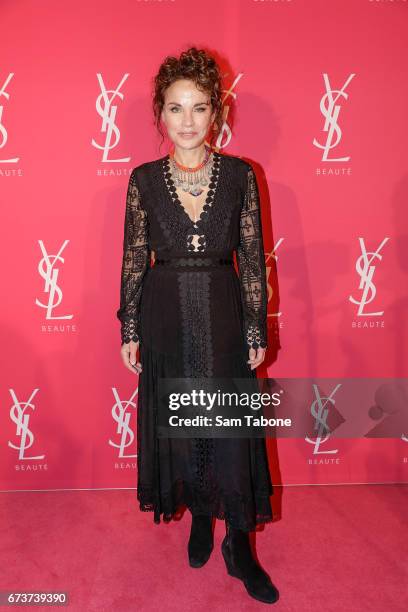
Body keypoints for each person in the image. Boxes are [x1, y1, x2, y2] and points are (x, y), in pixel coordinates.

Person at [117, 47, 279, 605]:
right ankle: (199, 516)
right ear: (159, 116)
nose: (187, 121)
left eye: (199, 107)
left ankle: (238, 543)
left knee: (230, 430)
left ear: (218, 115)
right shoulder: (141, 181)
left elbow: (254, 260)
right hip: (164, 319)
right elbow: (135, 259)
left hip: (224, 315)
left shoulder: (240, 176)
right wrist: (129, 327)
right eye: (175, 108)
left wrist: (257, 329)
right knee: (183, 426)